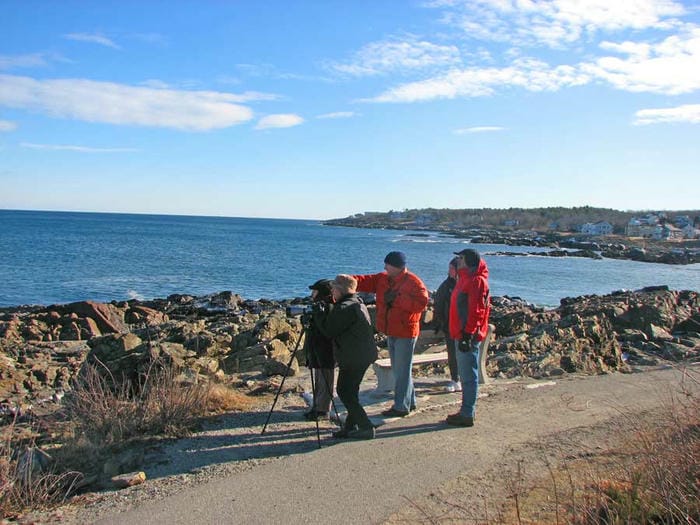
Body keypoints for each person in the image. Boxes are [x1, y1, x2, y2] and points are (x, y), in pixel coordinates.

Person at [354, 251, 429, 417]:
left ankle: (401, 406)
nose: (384, 267)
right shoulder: (384, 278)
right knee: (401, 369)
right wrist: (349, 280)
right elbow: (366, 281)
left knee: (401, 370)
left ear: (396, 266)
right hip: (392, 330)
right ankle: (410, 402)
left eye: (387, 264)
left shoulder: (413, 282)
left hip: (406, 332)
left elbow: (421, 303)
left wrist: (397, 299)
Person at [313, 274, 378, 439]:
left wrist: (319, 315)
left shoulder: (345, 307)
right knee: (351, 391)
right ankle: (351, 426)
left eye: (334, 289)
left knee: (344, 391)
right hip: (362, 354)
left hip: (354, 356)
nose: (332, 292)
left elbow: (329, 330)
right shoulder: (357, 302)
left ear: (340, 290)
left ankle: (366, 426)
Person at [447, 248, 491, 427]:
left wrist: (467, 334)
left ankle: (467, 413)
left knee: (468, 376)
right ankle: (466, 411)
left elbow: (477, 310)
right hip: (460, 333)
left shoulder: (476, 281)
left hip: (467, 335)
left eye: (461, 258)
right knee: (466, 375)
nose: (458, 260)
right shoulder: (464, 278)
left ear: (469, 261)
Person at [301, 279, 335, 421]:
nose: (312, 294)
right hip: (316, 347)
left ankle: (323, 410)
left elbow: (326, 329)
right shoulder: (318, 307)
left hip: (325, 349)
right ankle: (317, 406)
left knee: (325, 380)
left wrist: (317, 317)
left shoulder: (329, 308)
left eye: (314, 291)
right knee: (319, 379)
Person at [433, 257, 461, 392]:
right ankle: (455, 379)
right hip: (450, 325)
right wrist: (441, 321)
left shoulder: (466, 284)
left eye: (452, 268)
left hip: (463, 325)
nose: (449, 271)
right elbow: (438, 303)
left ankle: (461, 379)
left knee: (461, 353)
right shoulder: (446, 285)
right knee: (453, 353)